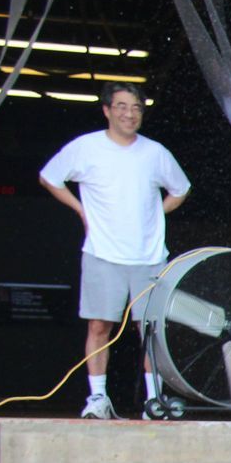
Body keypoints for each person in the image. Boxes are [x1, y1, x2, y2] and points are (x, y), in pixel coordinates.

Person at [38, 82, 190, 419]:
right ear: (107, 110)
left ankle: (156, 402)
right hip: (102, 253)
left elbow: (181, 189)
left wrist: (155, 215)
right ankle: (97, 399)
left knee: (150, 331)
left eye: (136, 107)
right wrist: (80, 210)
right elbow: (50, 178)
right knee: (99, 327)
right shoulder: (86, 148)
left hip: (149, 257)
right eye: (122, 106)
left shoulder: (155, 152)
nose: (129, 114)